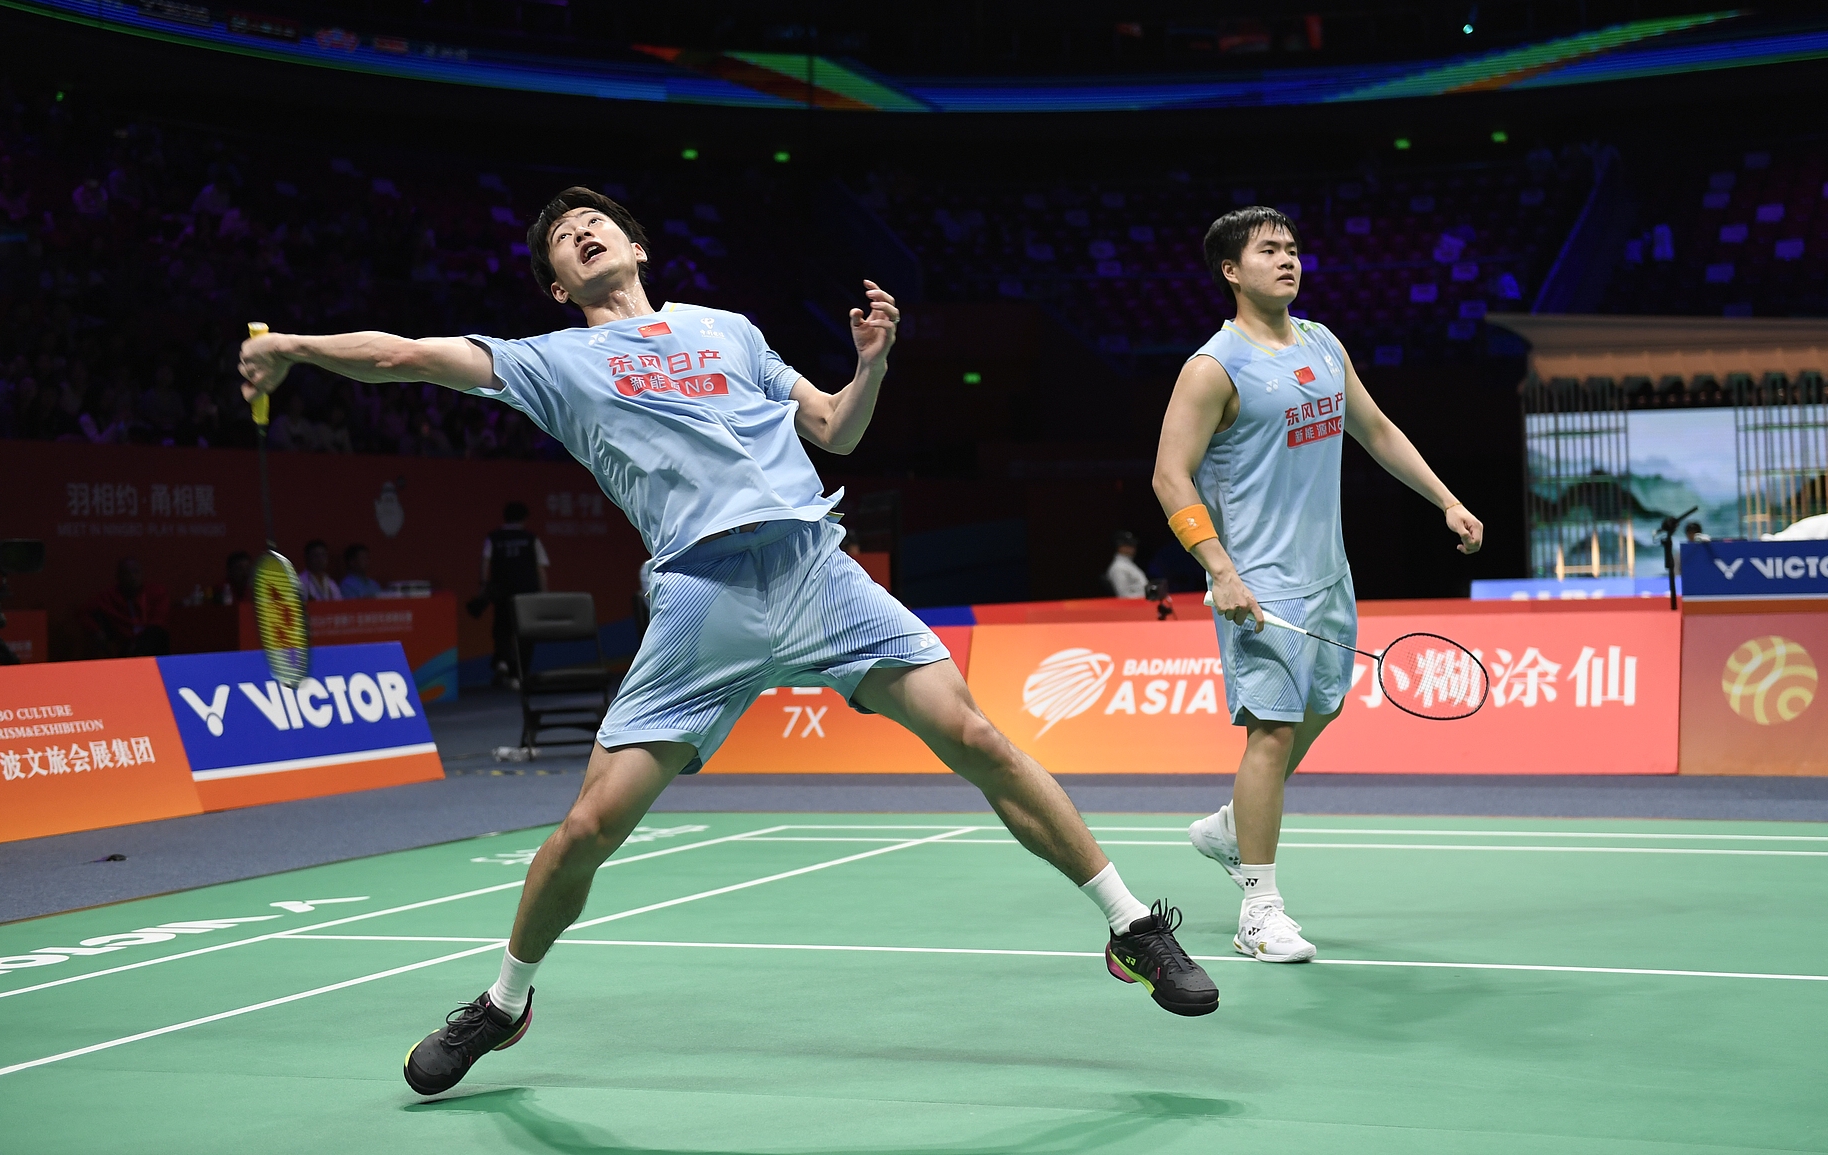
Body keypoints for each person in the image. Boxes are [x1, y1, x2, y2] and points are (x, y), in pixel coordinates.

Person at [238, 186, 1217, 1097]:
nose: (582, 233)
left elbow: (833, 428)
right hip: (701, 607)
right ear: (557, 285)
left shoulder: (728, 331)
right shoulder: (552, 362)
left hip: (815, 572)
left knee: (975, 736)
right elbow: (405, 356)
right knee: (587, 829)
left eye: (595, 222)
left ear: (636, 245)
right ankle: (503, 1003)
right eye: (562, 239)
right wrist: (292, 346)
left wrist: (871, 364)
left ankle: (1129, 925)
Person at [1152, 206, 1483, 965]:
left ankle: (1232, 827)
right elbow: (1170, 475)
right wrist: (1220, 569)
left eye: (1293, 248)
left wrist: (1446, 500)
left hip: (1328, 573)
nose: (1288, 260)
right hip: (1259, 581)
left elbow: (1378, 430)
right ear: (1231, 271)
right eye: (1268, 250)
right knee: (1270, 733)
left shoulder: (1323, 344)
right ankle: (1258, 910)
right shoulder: (1213, 367)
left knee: (1320, 708)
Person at [483, 501, 548, 683]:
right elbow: (540, 568)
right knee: (525, 634)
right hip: (527, 594)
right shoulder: (531, 538)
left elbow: (485, 562)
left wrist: (484, 586)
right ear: (524, 518)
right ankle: (519, 674)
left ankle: (503, 662)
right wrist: (544, 595)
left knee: (502, 630)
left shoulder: (494, 537)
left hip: (501, 592)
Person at [84, 556, 172, 656]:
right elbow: (83, 612)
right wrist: (96, 631)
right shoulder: (109, 596)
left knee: (156, 633)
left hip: (149, 640)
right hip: (125, 643)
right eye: (127, 573)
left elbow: (158, 621)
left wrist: (138, 641)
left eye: (136, 572)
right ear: (118, 576)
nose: (132, 576)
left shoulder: (156, 592)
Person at [1105, 530, 1149, 599]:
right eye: (1129, 545)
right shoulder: (1118, 567)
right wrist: (1149, 595)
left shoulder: (1128, 563)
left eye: (1133, 545)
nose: (1133, 548)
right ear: (1119, 546)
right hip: (1136, 604)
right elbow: (1124, 596)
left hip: (1144, 601)